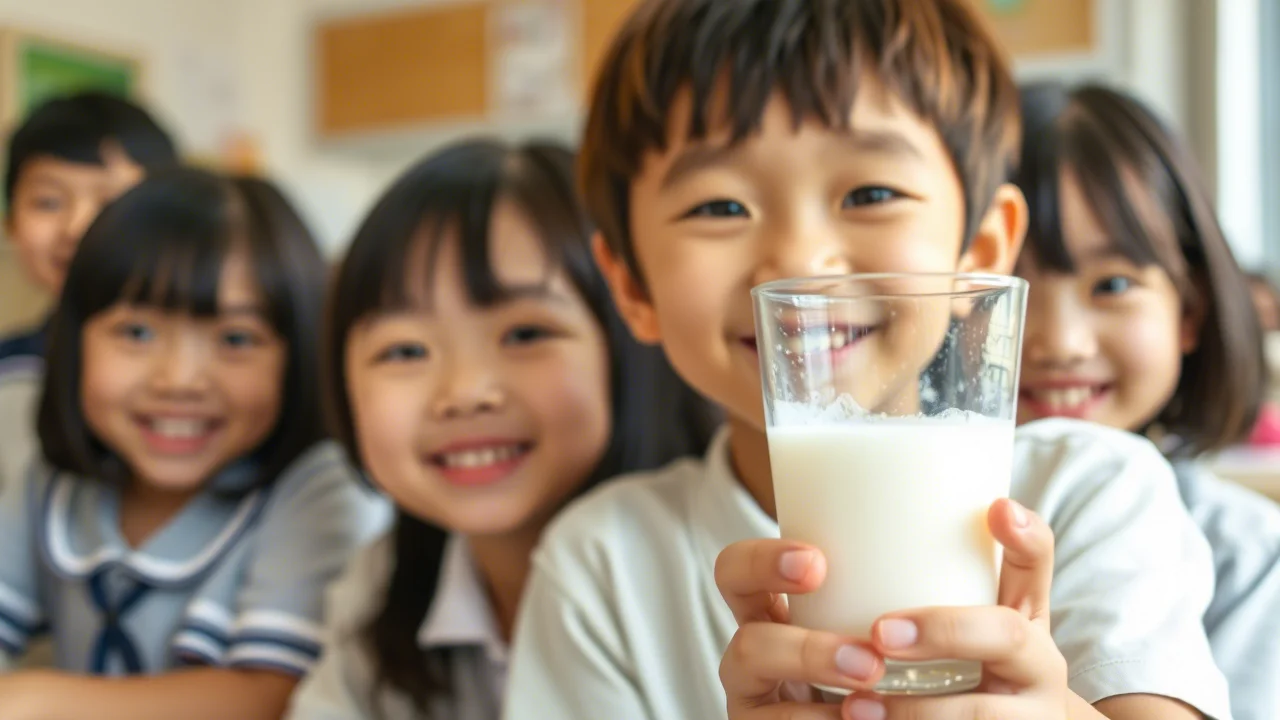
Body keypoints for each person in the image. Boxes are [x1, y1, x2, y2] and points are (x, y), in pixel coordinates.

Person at [500, 2, 1229, 719]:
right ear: (632, 285)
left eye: (871, 193)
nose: (799, 262)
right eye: (719, 207)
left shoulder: (1091, 491)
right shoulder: (602, 565)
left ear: (980, 250)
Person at [283, 139, 717, 720]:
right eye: (405, 350)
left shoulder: (726, 578)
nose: (464, 393)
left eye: (525, 334)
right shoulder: (386, 585)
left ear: (630, 343)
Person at [0, 167, 388, 720]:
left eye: (236, 339)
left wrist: (27, 701)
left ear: (299, 354)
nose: (179, 380)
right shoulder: (52, 481)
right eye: (137, 333)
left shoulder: (320, 489)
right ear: (73, 341)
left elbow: (269, 695)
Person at [1013, 80, 1280, 720]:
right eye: (1007, 287)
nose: (1060, 343)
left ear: (1189, 311)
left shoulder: (1251, 558)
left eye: (1112, 284)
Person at [0, 91, 179, 362]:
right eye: (48, 202)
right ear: (11, 222)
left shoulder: (217, 365)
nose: (77, 228)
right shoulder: (10, 370)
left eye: (111, 203)